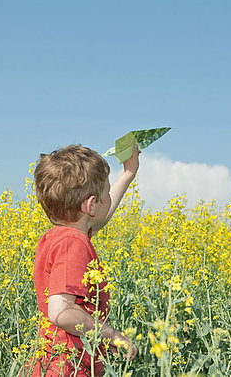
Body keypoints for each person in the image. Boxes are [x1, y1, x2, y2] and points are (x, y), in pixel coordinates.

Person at [25, 143, 139, 376]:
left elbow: (101, 215)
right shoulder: (72, 243)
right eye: (105, 193)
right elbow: (61, 310)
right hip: (66, 368)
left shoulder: (60, 237)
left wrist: (128, 173)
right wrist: (110, 334)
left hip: (57, 363)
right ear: (91, 204)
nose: (108, 198)